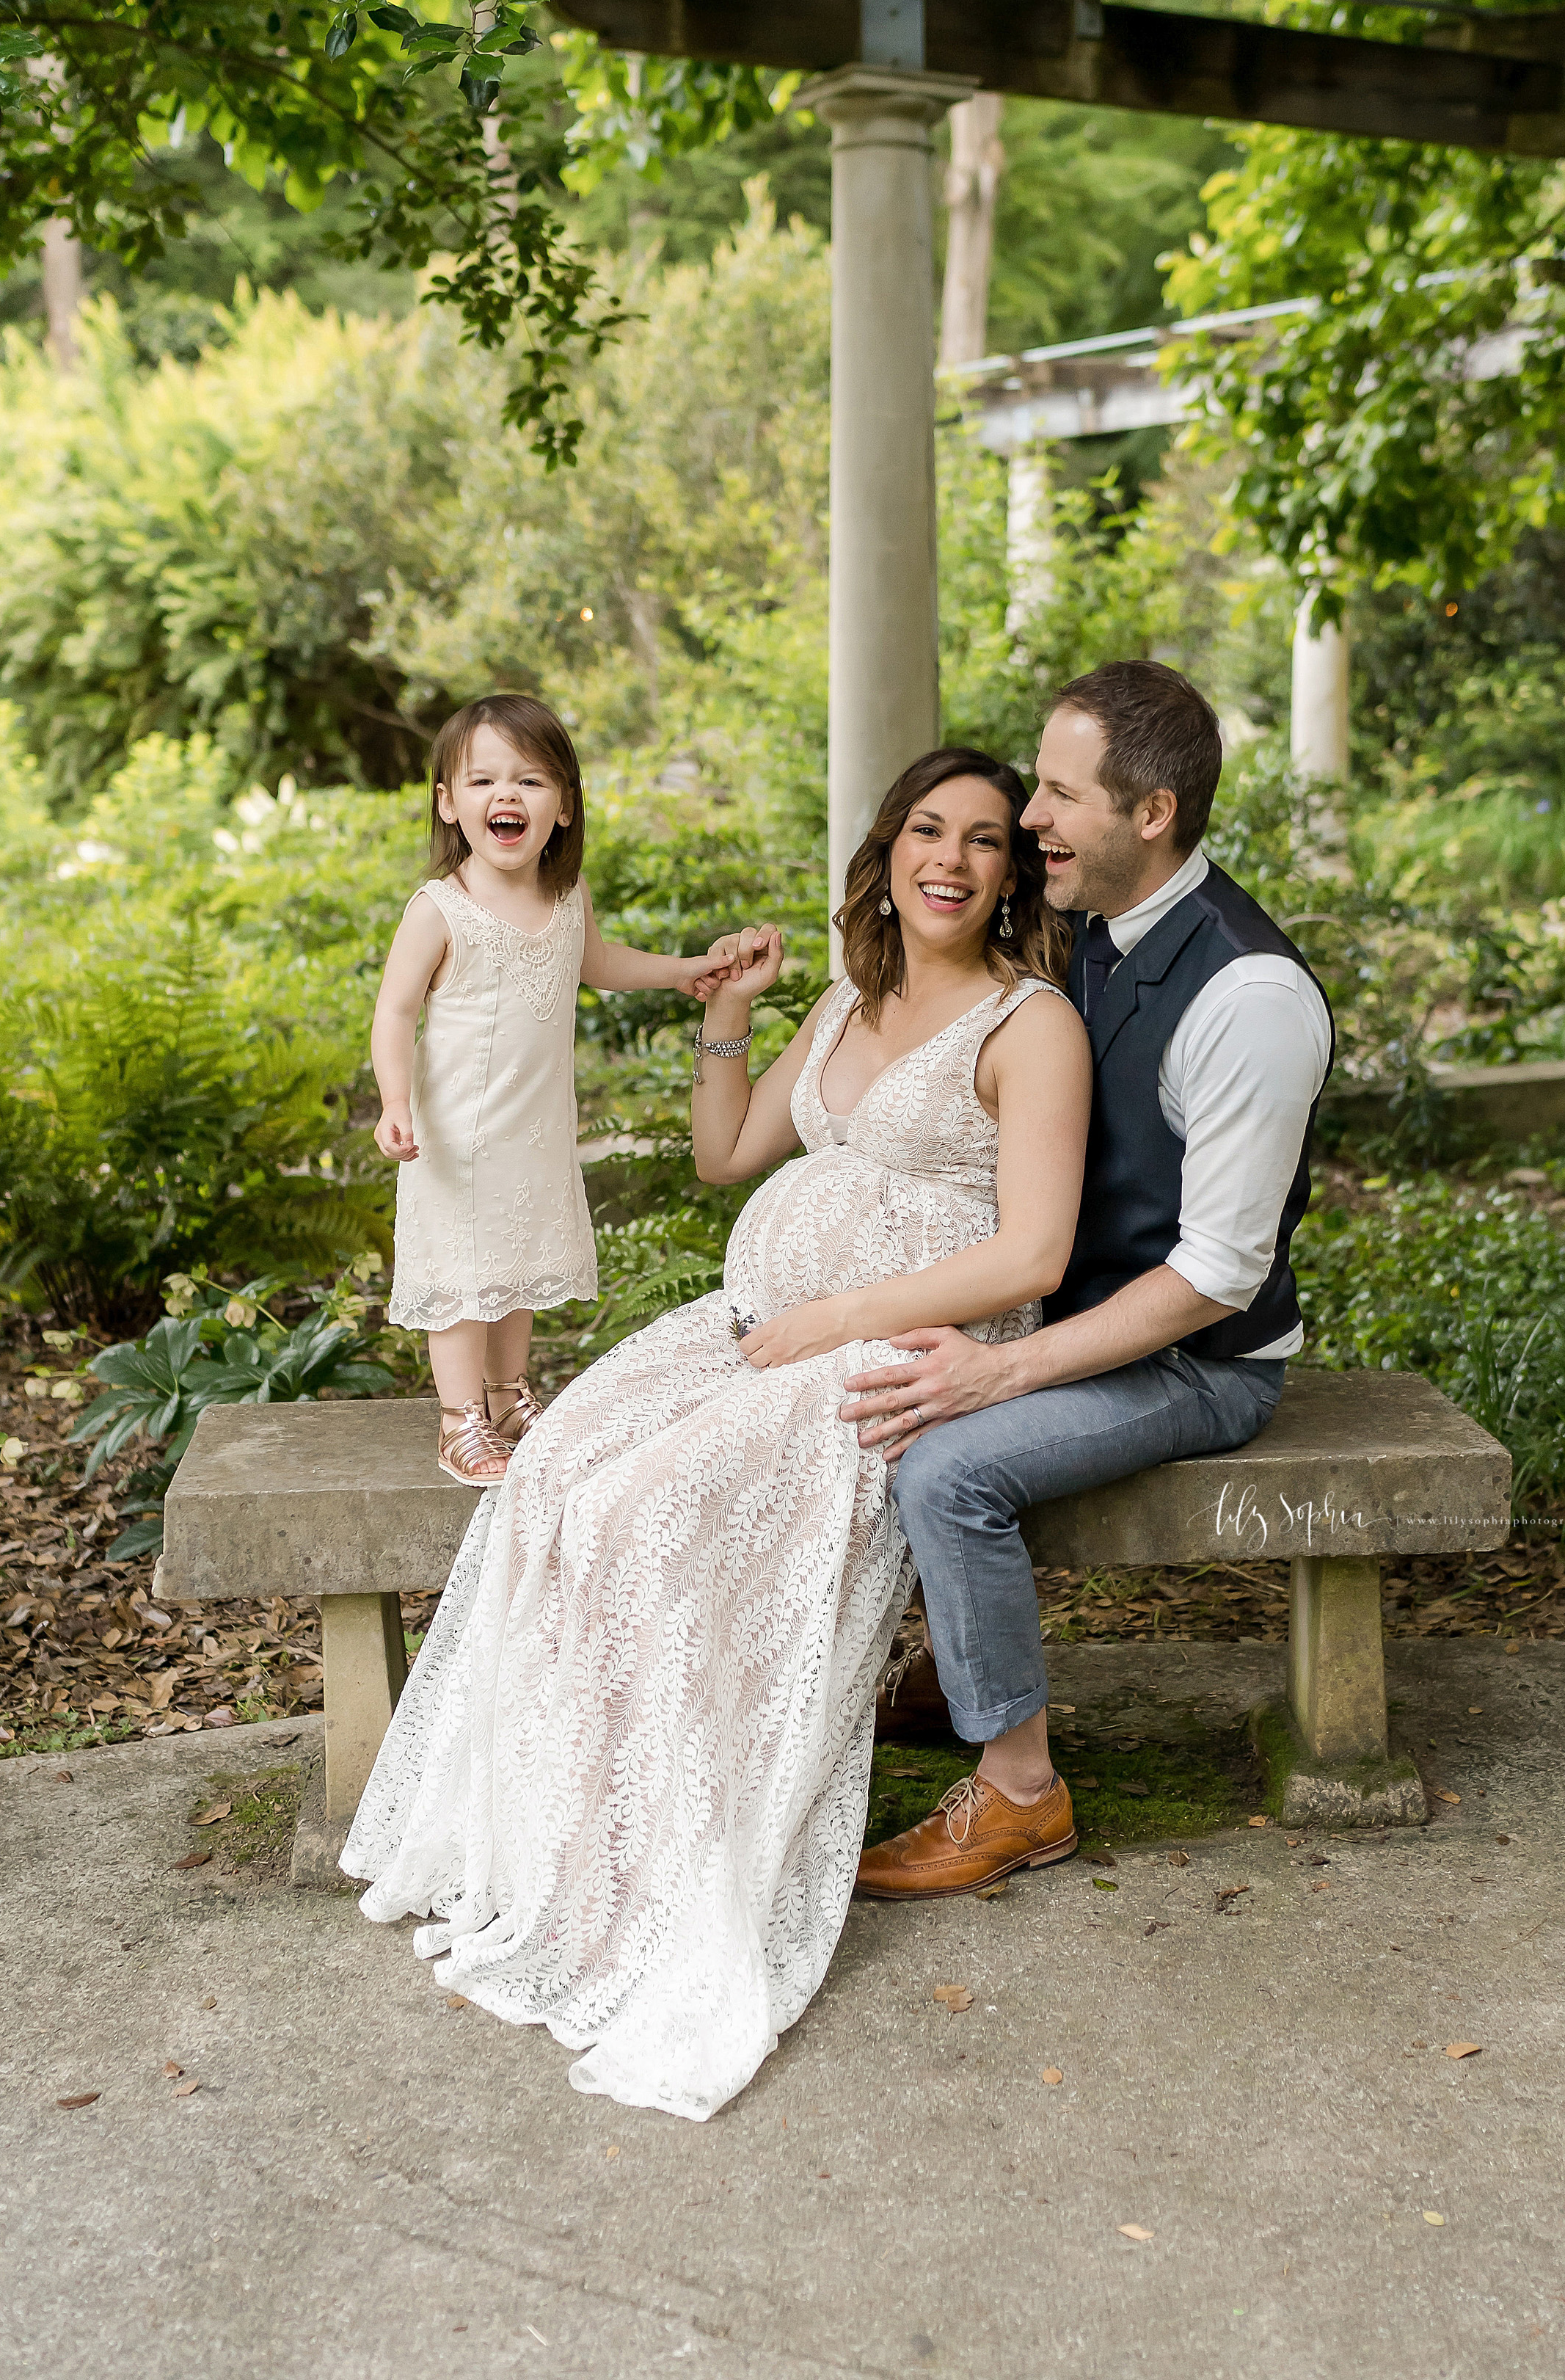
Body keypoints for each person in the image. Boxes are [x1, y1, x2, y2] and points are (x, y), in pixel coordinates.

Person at [341, 747, 1090, 2119]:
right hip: (764, 1319)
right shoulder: (849, 997)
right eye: (930, 830)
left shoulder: (1028, 1024)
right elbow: (728, 1152)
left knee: (650, 1511)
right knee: (560, 1468)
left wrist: (839, 1317)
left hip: (907, 1347)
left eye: (988, 841)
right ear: (888, 850)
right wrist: (730, 1015)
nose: (954, 859)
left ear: (1013, 872)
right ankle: (580, 1842)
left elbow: (1032, 1249)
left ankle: (674, 1866)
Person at [846, 662, 1334, 1898]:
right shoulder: (1087, 933)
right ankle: (962, 1661)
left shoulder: (1250, 997)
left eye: (1059, 795)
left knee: (947, 1462)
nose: (1033, 820)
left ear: (1152, 813)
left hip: (1198, 1364)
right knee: (858, 1383)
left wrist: (998, 1367)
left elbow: (1218, 1278)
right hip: (1082, 1314)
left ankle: (1020, 1795)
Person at [370, 691, 732, 1486]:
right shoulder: (441, 910)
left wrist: (680, 972)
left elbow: (598, 963)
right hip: (454, 1137)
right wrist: (395, 1104)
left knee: (517, 1267)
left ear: (564, 806)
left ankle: (506, 1396)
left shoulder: (566, 897)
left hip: (530, 1135)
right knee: (464, 1277)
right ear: (449, 804)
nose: (507, 796)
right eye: (483, 781)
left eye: (531, 781)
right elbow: (394, 1013)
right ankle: (458, 1419)